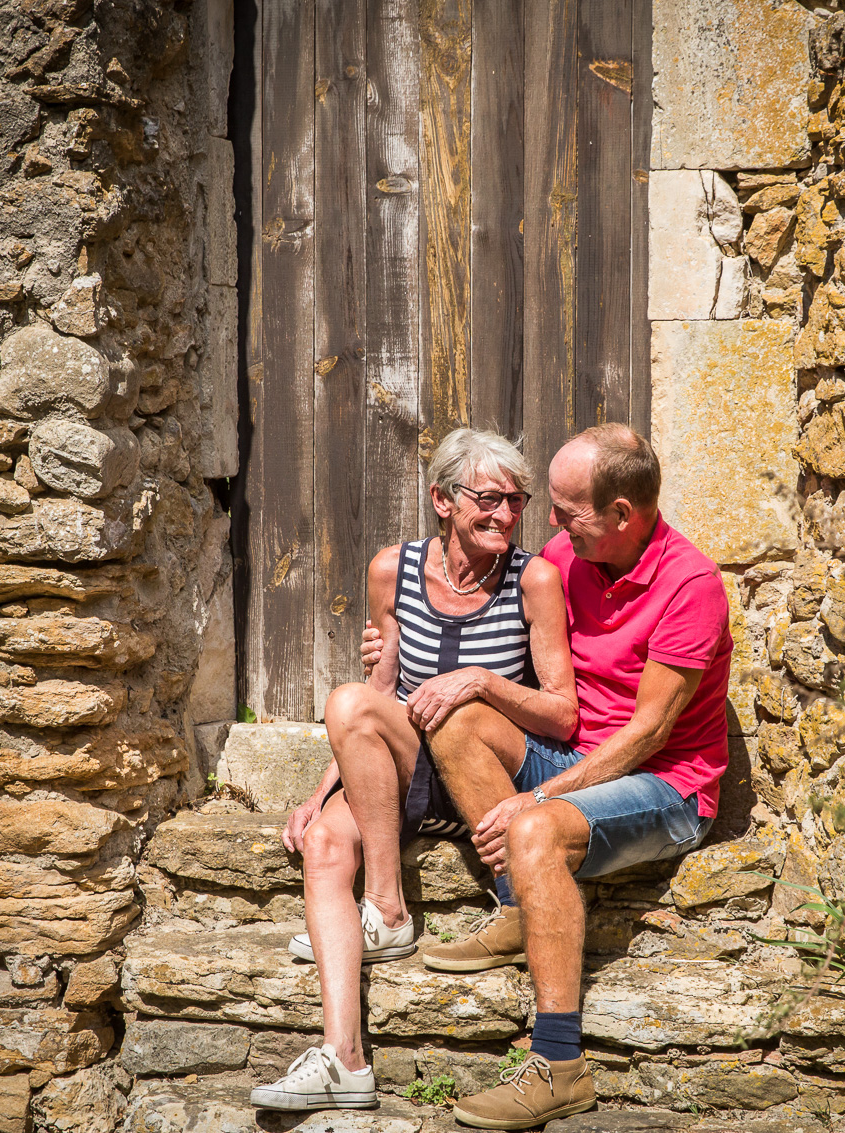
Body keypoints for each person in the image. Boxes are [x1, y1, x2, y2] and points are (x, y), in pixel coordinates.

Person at [362, 423, 734, 1130]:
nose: (549, 525)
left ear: (623, 514)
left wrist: (537, 797)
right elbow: (486, 609)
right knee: (452, 712)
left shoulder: (692, 586)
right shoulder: (570, 555)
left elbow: (647, 735)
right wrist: (392, 640)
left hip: (664, 784)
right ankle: (518, 905)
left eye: (566, 511)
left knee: (533, 827)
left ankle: (559, 1062)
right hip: (574, 756)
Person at [248, 429, 578, 1113]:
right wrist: (321, 792)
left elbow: (562, 714)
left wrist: (478, 682)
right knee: (326, 842)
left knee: (362, 710)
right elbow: (379, 695)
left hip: (479, 778)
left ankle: (388, 908)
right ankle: (345, 1058)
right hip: (402, 774)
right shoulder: (389, 570)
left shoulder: (533, 578)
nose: (505, 515)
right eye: (488, 498)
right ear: (442, 500)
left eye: (516, 501)